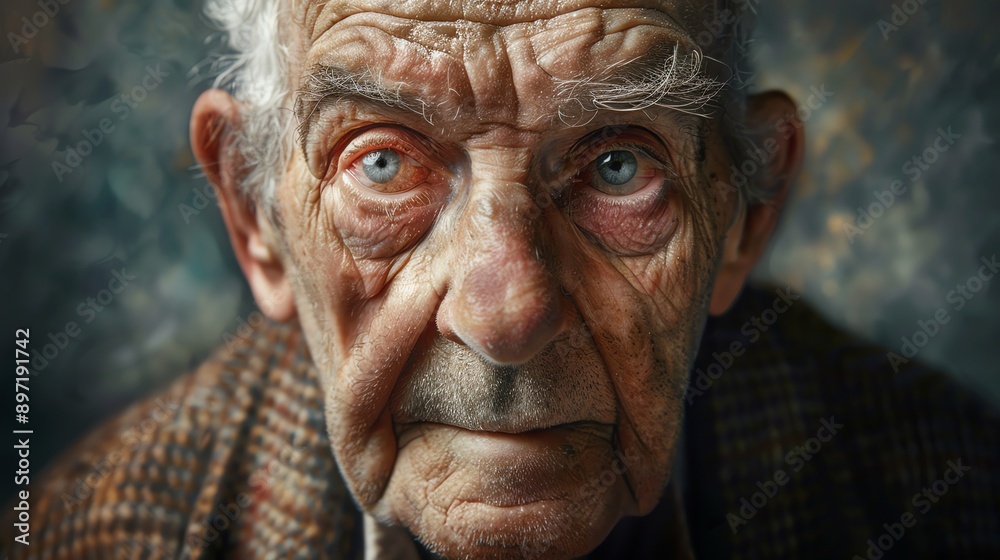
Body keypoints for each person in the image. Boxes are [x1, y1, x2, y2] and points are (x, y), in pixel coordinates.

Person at [4, 0, 998, 558]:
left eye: (619, 163)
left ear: (740, 210)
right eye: (384, 161)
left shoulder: (950, 496)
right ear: (256, 216)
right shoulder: (88, 538)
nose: (509, 311)